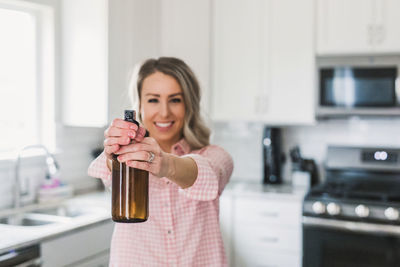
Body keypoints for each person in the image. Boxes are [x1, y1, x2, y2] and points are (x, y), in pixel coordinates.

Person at [88, 57, 233, 266]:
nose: (164, 112)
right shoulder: (125, 158)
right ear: (139, 104)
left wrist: (165, 165)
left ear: (189, 105)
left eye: (175, 99)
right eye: (153, 100)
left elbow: (211, 176)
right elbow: (107, 171)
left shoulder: (215, 156)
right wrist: (114, 155)